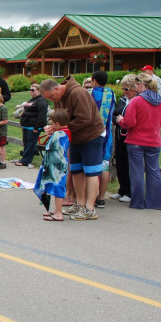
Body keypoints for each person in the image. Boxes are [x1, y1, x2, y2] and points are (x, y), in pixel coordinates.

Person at [39, 76, 106, 221]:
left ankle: (89, 208)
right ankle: (79, 204)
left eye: (51, 96)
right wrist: (55, 128)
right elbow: (61, 120)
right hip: (75, 138)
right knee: (76, 170)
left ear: (56, 88)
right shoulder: (59, 99)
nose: (52, 100)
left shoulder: (78, 93)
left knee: (91, 172)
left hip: (91, 136)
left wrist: (64, 128)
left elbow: (85, 118)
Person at [117, 73, 161, 209]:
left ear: (140, 85)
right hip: (154, 140)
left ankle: (137, 201)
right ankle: (156, 202)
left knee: (137, 172)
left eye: (137, 85)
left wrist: (121, 120)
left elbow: (130, 122)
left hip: (136, 140)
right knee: (154, 171)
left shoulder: (137, 101)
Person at [34, 109, 71, 222]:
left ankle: (59, 213)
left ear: (57, 124)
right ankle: (56, 210)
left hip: (57, 166)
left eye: (52, 123)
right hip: (58, 164)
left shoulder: (59, 134)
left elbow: (52, 147)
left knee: (58, 188)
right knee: (55, 187)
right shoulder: (67, 132)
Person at [89, 71, 115, 208]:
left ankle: (89, 197)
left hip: (93, 133)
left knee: (91, 166)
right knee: (105, 165)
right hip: (107, 133)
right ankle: (101, 197)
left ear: (94, 81)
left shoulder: (90, 94)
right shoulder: (111, 93)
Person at [110, 74, 137, 203]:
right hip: (120, 135)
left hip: (131, 136)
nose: (124, 92)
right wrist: (118, 120)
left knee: (128, 164)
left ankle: (129, 191)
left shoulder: (137, 100)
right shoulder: (123, 100)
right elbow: (114, 114)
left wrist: (122, 120)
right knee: (120, 162)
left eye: (127, 89)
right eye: (123, 89)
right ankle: (122, 189)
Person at [15, 83, 48, 168]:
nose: (31, 91)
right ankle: (24, 158)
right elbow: (25, 112)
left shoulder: (42, 101)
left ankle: (26, 161)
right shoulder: (31, 100)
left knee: (31, 144)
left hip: (33, 127)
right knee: (26, 143)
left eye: (33, 90)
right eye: (30, 90)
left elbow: (42, 115)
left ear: (39, 90)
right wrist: (22, 124)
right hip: (26, 125)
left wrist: (37, 127)